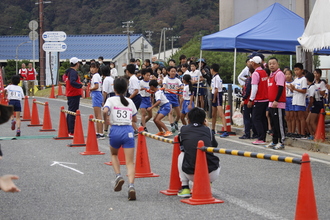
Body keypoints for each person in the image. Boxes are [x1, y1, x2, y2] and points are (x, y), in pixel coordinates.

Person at [103, 77, 137, 201]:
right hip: (128, 130)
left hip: (115, 130)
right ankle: (131, 186)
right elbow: (134, 119)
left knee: (113, 154)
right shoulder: (130, 101)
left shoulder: (110, 100)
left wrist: (106, 120)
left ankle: (118, 176)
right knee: (129, 162)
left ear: (114, 88)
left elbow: (105, 110)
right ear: (126, 89)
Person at [177, 107, 220, 198]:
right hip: (211, 174)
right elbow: (214, 145)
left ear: (188, 119)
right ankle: (208, 183)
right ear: (204, 120)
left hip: (191, 174)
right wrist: (206, 127)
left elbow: (182, 146)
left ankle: (185, 187)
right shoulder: (208, 130)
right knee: (209, 154)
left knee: (182, 154)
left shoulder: (183, 129)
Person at [265, 57, 286, 150]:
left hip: (278, 103)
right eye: (270, 64)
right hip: (271, 103)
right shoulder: (271, 75)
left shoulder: (279, 74)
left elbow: (280, 88)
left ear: (278, 64)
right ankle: (274, 141)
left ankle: (282, 142)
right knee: (273, 123)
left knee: (279, 123)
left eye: (273, 63)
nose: (271, 65)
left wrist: (276, 100)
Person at [248, 56, 269, 145]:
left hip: (259, 99)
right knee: (263, 118)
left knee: (256, 118)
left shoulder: (256, 74)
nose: (251, 63)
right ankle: (263, 137)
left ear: (254, 63)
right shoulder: (263, 72)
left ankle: (260, 137)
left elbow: (254, 87)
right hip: (266, 98)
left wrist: (251, 99)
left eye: (252, 62)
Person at [66, 57, 84, 136]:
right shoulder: (73, 72)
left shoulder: (68, 72)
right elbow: (72, 82)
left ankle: (69, 129)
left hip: (70, 93)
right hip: (74, 93)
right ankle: (71, 131)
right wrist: (80, 86)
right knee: (73, 112)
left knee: (70, 111)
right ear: (77, 64)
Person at [289, 63, 307, 138]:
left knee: (301, 117)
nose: (296, 72)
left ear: (302, 70)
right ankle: (298, 132)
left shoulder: (304, 79)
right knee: (296, 117)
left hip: (300, 101)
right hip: (295, 100)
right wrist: (291, 88)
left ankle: (302, 133)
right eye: (295, 70)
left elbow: (304, 90)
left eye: (298, 70)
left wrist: (294, 89)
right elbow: (292, 88)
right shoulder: (296, 79)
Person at [210, 64, 228, 138]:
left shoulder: (216, 78)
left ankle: (225, 130)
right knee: (213, 114)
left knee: (221, 114)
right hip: (214, 94)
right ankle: (213, 129)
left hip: (217, 95)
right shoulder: (214, 77)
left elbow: (217, 89)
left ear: (212, 69)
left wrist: (214, 98)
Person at [239, 63, 257, 139]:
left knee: (246, 117)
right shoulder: (256, 78)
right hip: (254, 100)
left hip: (248, 100)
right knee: (253, 117)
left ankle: (247, 133)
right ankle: (255, 133)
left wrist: (244, 98)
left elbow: (247, 90)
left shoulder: (249, 79)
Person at [163, 66, 182, 133]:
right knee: (170, 112)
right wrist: (165, 88)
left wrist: (179, 87)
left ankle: (176, 122)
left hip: (175, 96)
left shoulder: (177, 80)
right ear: (168, 72)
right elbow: (164, 85)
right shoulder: (166, 79)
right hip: (168, 96)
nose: (173, 73)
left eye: (174, 71)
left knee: (179, 114)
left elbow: (182, 85)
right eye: (172, 71)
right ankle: (172, 126)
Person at [89, 62, 104, 139]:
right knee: (97, 115)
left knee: (98, 115)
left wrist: (90, 89)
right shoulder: (97, 76)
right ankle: (98, 132)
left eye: (93, 67)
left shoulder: (95, 76)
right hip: (96, 94)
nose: (92, 69)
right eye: (91, 67)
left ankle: (100, 133)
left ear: (97, 69)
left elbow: (96, 86)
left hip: (96, 94)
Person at [126, 64, 142, 135]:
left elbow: (136, 90)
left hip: (135, 97)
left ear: (127, 71)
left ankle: (136, 130)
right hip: (134, 96)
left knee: (131, 114)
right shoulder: (132, 78)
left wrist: (130, 98)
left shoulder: (133, 79)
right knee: (130, 114)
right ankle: (135, 129)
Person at [306, 72, 322, 140]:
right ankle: (312, 134)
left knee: (312, 122)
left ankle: (318, 136)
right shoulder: (310, 86)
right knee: (307, 121)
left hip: (316, 105)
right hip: (314, 105)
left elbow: (312, 99)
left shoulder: (312, 87)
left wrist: (308, 107)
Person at [102, 65, 114, 135]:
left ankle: (106, 130)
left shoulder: (106, 80)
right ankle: (106, 129)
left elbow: (105, 92)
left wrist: (103, 100)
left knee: (106, 114)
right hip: (114, 95)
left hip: (109, 96)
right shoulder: (112, 79)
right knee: (110, 113)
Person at [285, 69, 295, 137]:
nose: (287, 76)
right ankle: (289, 130)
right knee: (287, 117)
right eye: (286, 74)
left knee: (292, 116)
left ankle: (293, 131)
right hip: (285, 99)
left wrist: (291, 88)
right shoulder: (284, 83)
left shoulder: (294, 83)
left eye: (289, 74)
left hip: (292, 98)